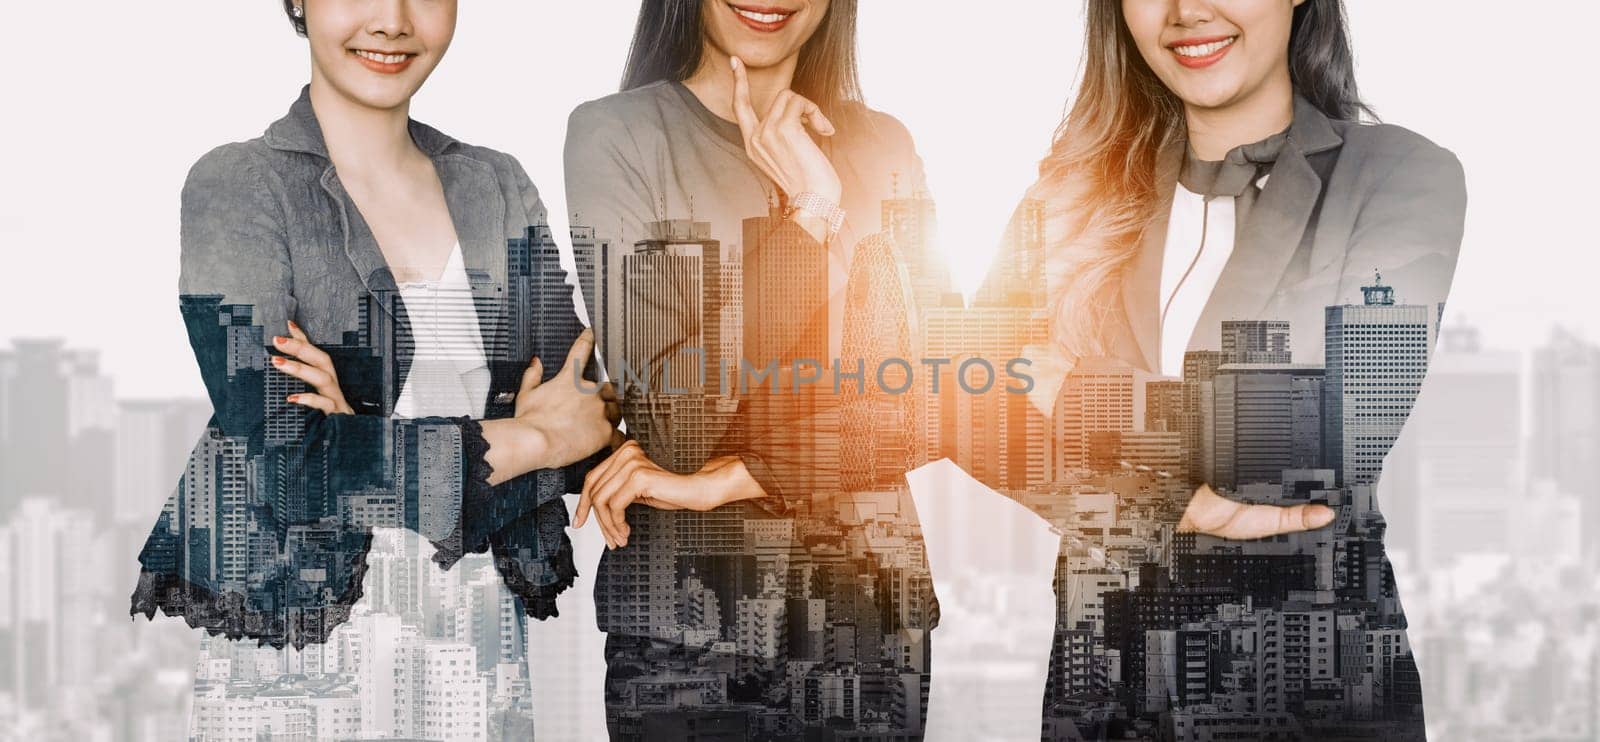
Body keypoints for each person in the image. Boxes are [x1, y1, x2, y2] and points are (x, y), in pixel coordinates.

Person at [128, 0, 618, 737]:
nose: (392, 19)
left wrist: (362, 438)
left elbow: (589, 423)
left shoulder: (495, 183)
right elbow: (288, 467)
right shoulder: (240, 186)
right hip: (301, 649)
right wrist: (532, 442)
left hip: (478, 640)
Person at [981, 0, 1466, 738]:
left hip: (1307, 696)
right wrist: (1169, 502)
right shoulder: (1072, 194)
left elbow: (1333, 425)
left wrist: (1080, 392)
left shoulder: (1399, 175)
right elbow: (967, 404)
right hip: (1104, 697)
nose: (1185, 11)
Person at [563, 0, 947, 737]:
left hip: (872, 627)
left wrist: (735, 478)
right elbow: (676, 422)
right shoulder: (619, 136)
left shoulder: (884, 146)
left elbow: (932, 406)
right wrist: (807, 214)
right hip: (692, 640)